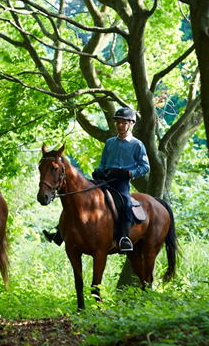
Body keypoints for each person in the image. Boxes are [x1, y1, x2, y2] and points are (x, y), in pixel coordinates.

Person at [43, 107, 150, 252]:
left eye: (123, 122)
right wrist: (99, 171)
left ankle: (124, 237)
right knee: (79, 198)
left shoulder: (137, 145)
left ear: (131, 124)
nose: (119, 125)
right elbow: (103, 163)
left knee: (125, 202)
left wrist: (130, 173)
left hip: (121, 182)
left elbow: (145, 167)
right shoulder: (110, 143)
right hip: (105, 179)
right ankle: (59, 233)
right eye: (118, 122)